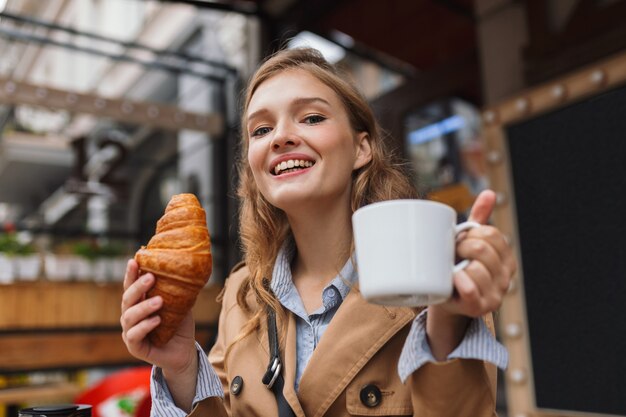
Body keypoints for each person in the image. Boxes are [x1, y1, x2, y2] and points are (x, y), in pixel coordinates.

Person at [121, 47, 517, 417]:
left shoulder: (428, 273)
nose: (280, 137)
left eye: (311, 118)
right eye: (260, 130)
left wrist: (446, 319)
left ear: (362, 149)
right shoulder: (242, 295)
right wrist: (182, 368)